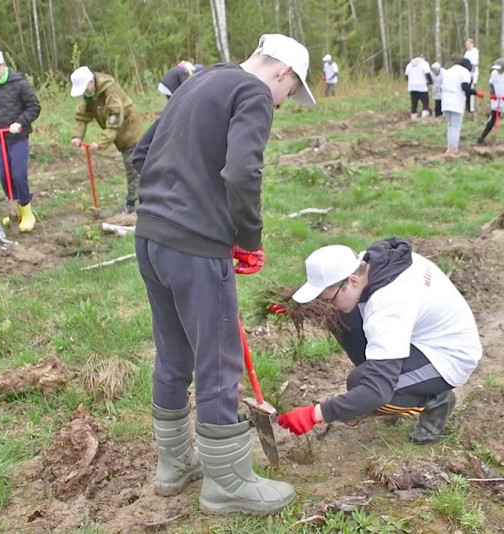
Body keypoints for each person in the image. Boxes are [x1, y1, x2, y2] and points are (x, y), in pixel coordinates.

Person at [132, 33, 315, 515]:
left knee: (174, 354)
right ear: (283, 73)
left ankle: (174, 466)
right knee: (217, 362)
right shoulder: (253, 93)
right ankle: (228, 485)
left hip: (151, 238)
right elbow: (241, 172)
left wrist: (154, 205)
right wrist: (248, 239)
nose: (285, 102)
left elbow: (141, 152)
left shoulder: (200, 80)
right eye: (291, 93)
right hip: (194, 248)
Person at [278, 238, 482, 445]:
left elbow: (376, 391)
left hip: (448, 357)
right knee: (339, 316)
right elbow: (339, 297)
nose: (327, 305)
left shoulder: (387, 305)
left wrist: (317, 413)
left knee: (364, 385)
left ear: (352, 281)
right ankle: (386, 381)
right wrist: (298, 307)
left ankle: (435, 399)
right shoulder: (373, 263)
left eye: (327, 299)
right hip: (421, 334)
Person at [0, 49, 41, 233]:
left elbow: (34, 107)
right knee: (5, 177)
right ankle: (15, 211)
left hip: (18, 137)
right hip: (1, 137)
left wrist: (20, 122)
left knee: (19, 175)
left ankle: (27, 212)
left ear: (2, 65)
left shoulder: (19, 83)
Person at [69, 66, 144, 214]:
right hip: (119, 134)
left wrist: (102, 142)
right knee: (136, 167)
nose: (84, 92)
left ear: (91, 82)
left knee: (133, 168)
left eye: (85, 88)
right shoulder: (91, 94)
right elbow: (83, 115)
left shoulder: (111, 92)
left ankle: (131, 205)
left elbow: (115, 119)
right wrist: (77, 136)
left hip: (130, 131)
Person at [440, 58, 478, 155]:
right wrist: (476, 93)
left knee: (450, 125)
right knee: (456, 127)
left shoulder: (448, 71)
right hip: (456, 102)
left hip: (445, 101)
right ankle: (453, 148)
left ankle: (450, 146)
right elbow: (465, 87)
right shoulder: (464, 72)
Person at [404, 54, 432, 121]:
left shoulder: (409, 64)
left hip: (412, 87)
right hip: (422, 87)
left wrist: (411, 82)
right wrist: (429, 82)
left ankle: (413, 118)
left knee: (414, 103)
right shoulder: (424, 64)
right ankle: (424, 118)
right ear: (423, 59)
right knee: (425, 103)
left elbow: (406, 76)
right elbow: (428, 75)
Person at [463, 38, 479, 114]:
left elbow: (474, 64)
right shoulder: (467, 53)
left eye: (468, 44)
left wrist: (471, 74)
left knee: (471, 90)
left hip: (472, 72)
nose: (467, 46)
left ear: (472, 44)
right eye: (466, 45)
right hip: (466, 72)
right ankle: (466, 107)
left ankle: (471, 108)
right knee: (466, 91)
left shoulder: (474, 52)